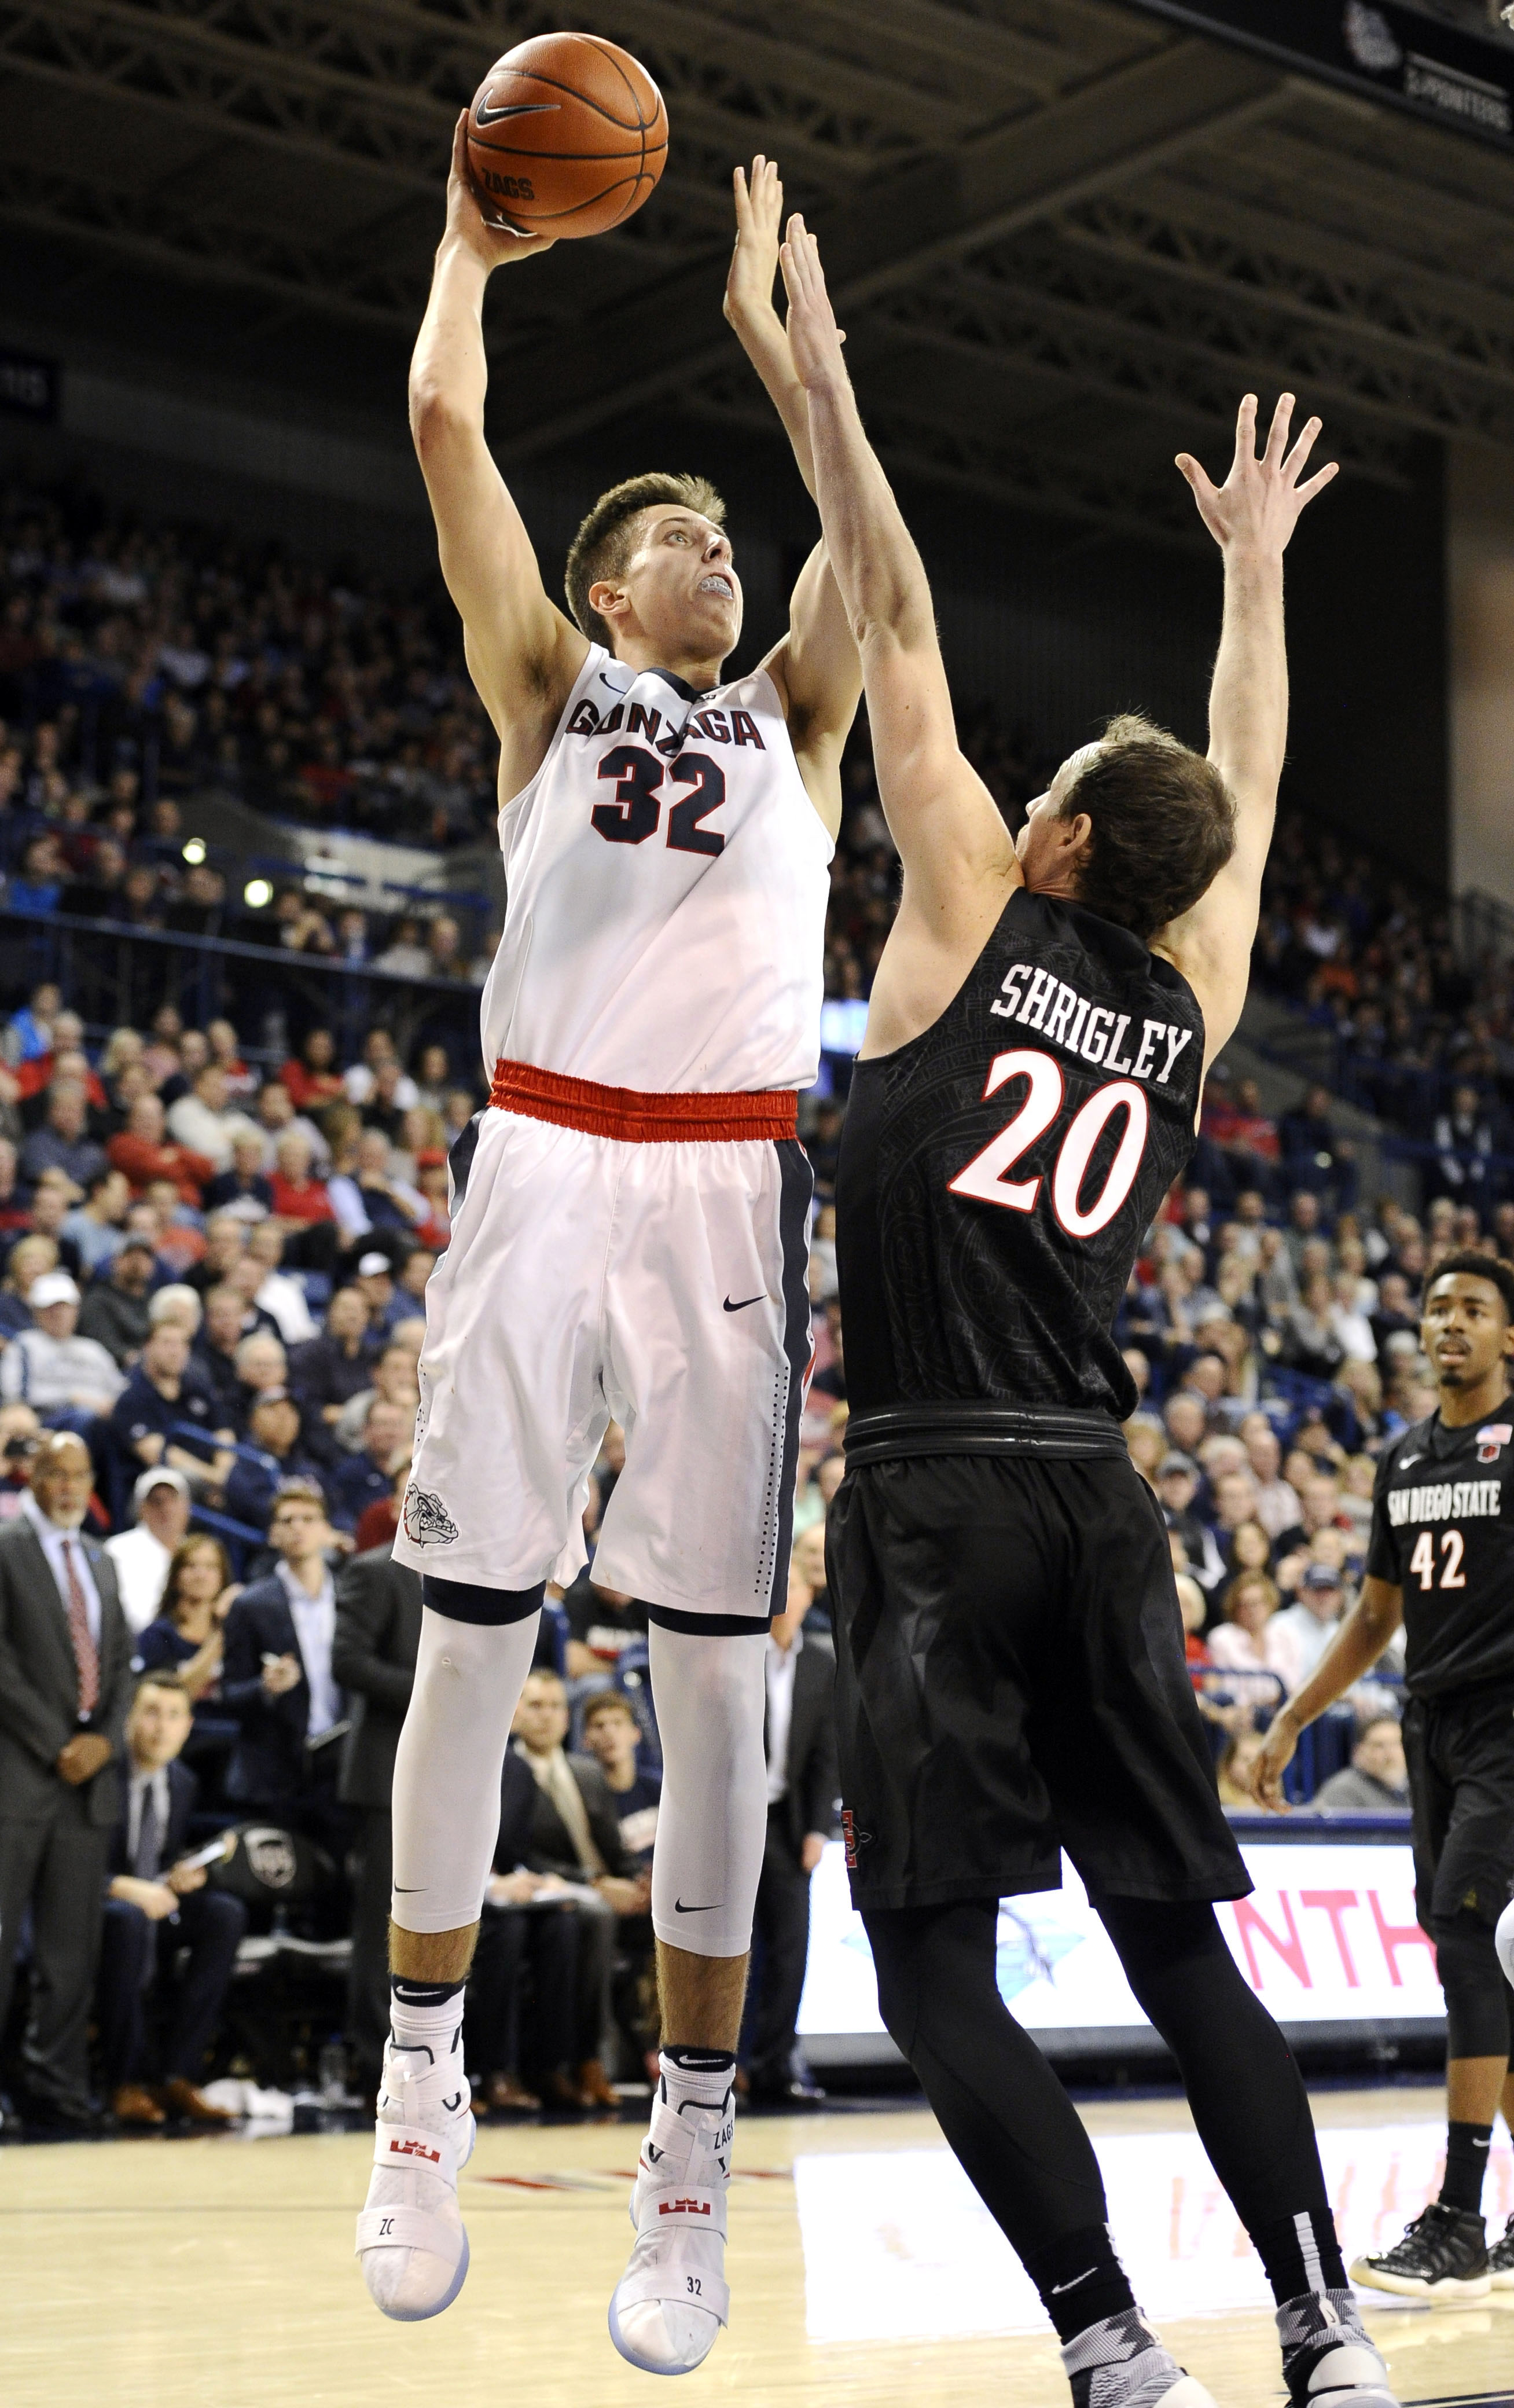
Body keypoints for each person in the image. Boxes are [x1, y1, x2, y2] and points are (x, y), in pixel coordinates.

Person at [777, 220, 1390, 2408]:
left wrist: (814, 382)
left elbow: (897, 607)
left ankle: (1112, 2349)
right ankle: (1321, 2336)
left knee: (931, 1958)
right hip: (1102, 1503)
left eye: (1039, 794)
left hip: (937, 1492)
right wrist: (1249, 581)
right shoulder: (1189, 994)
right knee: (1172, 1949)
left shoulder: (954, 903)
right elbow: (1242, 791)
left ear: (1047, 843)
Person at [356, 142, 865, 2359]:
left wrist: (787, 359)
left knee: (717, 1687)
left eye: (720, 538)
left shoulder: (800, 714)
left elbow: (863, 537)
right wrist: (467, 252)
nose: (719, 551)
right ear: (604, 582)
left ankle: (684, 2163)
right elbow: (447, 432)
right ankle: (411, 2093)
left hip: (728, 1189)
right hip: (543, 1157)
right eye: (680, 533)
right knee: (468, 1643)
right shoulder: (548, 686)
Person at [1255, 1253, 1514, 2300]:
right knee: (1481, 1967)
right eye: (1437, 1307)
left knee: (1464, 1938)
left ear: (1509, 1337)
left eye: (1475, 1309)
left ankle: (1456, 2215)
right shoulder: (1403, 1461)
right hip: (1431, 1725)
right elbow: (1373, 1617)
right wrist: (1291, 1713)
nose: (1449, 1322)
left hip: (1508, 1719)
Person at [0, 1432, 134, 2127]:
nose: (70, 1485)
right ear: (33, 1477)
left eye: (80, 1473)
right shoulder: (6, 1545)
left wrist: (104, 1742)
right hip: (20, 1773)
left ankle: (55, 2084)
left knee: (70, 1947)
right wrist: (59, 1743)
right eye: (56, 1472)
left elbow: (121, 1667)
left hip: (88, 1783)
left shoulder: (102, 1560)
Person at [96, 1671, 245, 2126]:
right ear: (129, 1718)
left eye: (174, 1716)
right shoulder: (103, 1774)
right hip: (97, 1911)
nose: (161, 1728)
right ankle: (124, 2082)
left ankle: (178, 2073)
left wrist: (180, 1874)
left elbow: (157, 1862)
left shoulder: (183, 1783)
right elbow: (68, 1867)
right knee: (128, 1918)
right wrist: (125, 1887)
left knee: (224, 1914)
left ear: (188, 1725)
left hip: (149, 1908)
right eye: (152, 1713)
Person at [332, 1546, 424, 2093]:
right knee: (382, 1926)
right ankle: (373, 2060)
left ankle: (429, 2054)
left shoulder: (466, 1574)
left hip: (447, 1772)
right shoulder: (375, 1571)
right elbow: (348, 1661)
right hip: (384, 1775)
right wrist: (436, 1694)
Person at [746, 1569, 836, 2107]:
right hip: (733, 1817)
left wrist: (818, 1829)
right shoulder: (739, 1655)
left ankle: (776, 2062)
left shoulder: (821, 1663)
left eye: (796, 1587)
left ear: (807, 1599)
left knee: (790, 1947)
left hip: (786, 1818)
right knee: (731, 1942)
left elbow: (828, 1752)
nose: (787, 1597)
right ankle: (722, 2061)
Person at [221, 1481, 348, 1852]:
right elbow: (229, 1693)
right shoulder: (251, 1605)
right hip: (278, 1771)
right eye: (288, 1520)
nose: (298, 1528)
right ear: (273, 1534)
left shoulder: (351, 1596)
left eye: (309, 1519)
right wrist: (265, 1688)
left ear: (326, 1531)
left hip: (338, 1766)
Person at [1, 1269, 125, 1419]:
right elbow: (17, 1395)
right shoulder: (25, 1344)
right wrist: (73, 1398)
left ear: (76, 1310)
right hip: (50, 1418)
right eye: (50, 1308)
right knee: (83, 1416)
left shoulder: (93, 1349)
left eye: (65, 1307)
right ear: (36, 1313)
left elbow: (121, 1390)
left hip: (103, 1418)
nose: (58, 1314)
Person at [104, 1465, 192, 1635]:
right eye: (156, 1502)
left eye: (173, 1499)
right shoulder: (119, 1550)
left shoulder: (196, 1552)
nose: (166, 1509)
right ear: (141, 1509)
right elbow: (134, 1617)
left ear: (186, 1506)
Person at [76, 1235, 157, 1367]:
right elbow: (102, 1342)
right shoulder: (98, 1299)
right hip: (110, 1369)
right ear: (115, 1262)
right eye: (130, 1256)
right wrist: (132, 1358)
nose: (137, 1262)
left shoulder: (155, 1300)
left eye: (144, 1257)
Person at [1310, 1716, 1410, 1814]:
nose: (1390, 1754)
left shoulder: (1415, 1789)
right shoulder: (1342, 1792)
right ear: (1359, 1752)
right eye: (1379, 1746)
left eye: (1397, 1744)